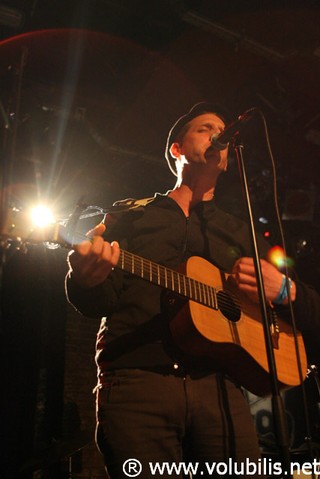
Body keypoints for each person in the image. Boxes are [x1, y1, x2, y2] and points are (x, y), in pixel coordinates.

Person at [65, 102, 320, 478]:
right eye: (205, 128)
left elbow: (309, 312)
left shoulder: (241, 231)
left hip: (221, 390)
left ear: (229, 161)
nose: (219, 134)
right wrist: (85, 278)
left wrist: (286, 292)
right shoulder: (130, 216)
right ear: (177, 150)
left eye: (223, 132)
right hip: (139, 384)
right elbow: (100, 300)